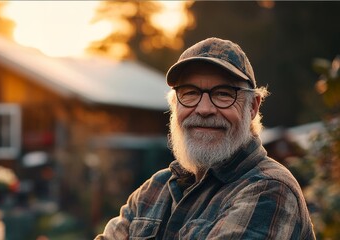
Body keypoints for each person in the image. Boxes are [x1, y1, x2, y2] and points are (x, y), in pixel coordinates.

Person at [95, 37, 315, 239]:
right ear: (174, 105)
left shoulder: (269, 190)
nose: (204, 109)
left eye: (223, 94)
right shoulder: (153, 191)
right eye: (190, 93)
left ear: (253, 107)